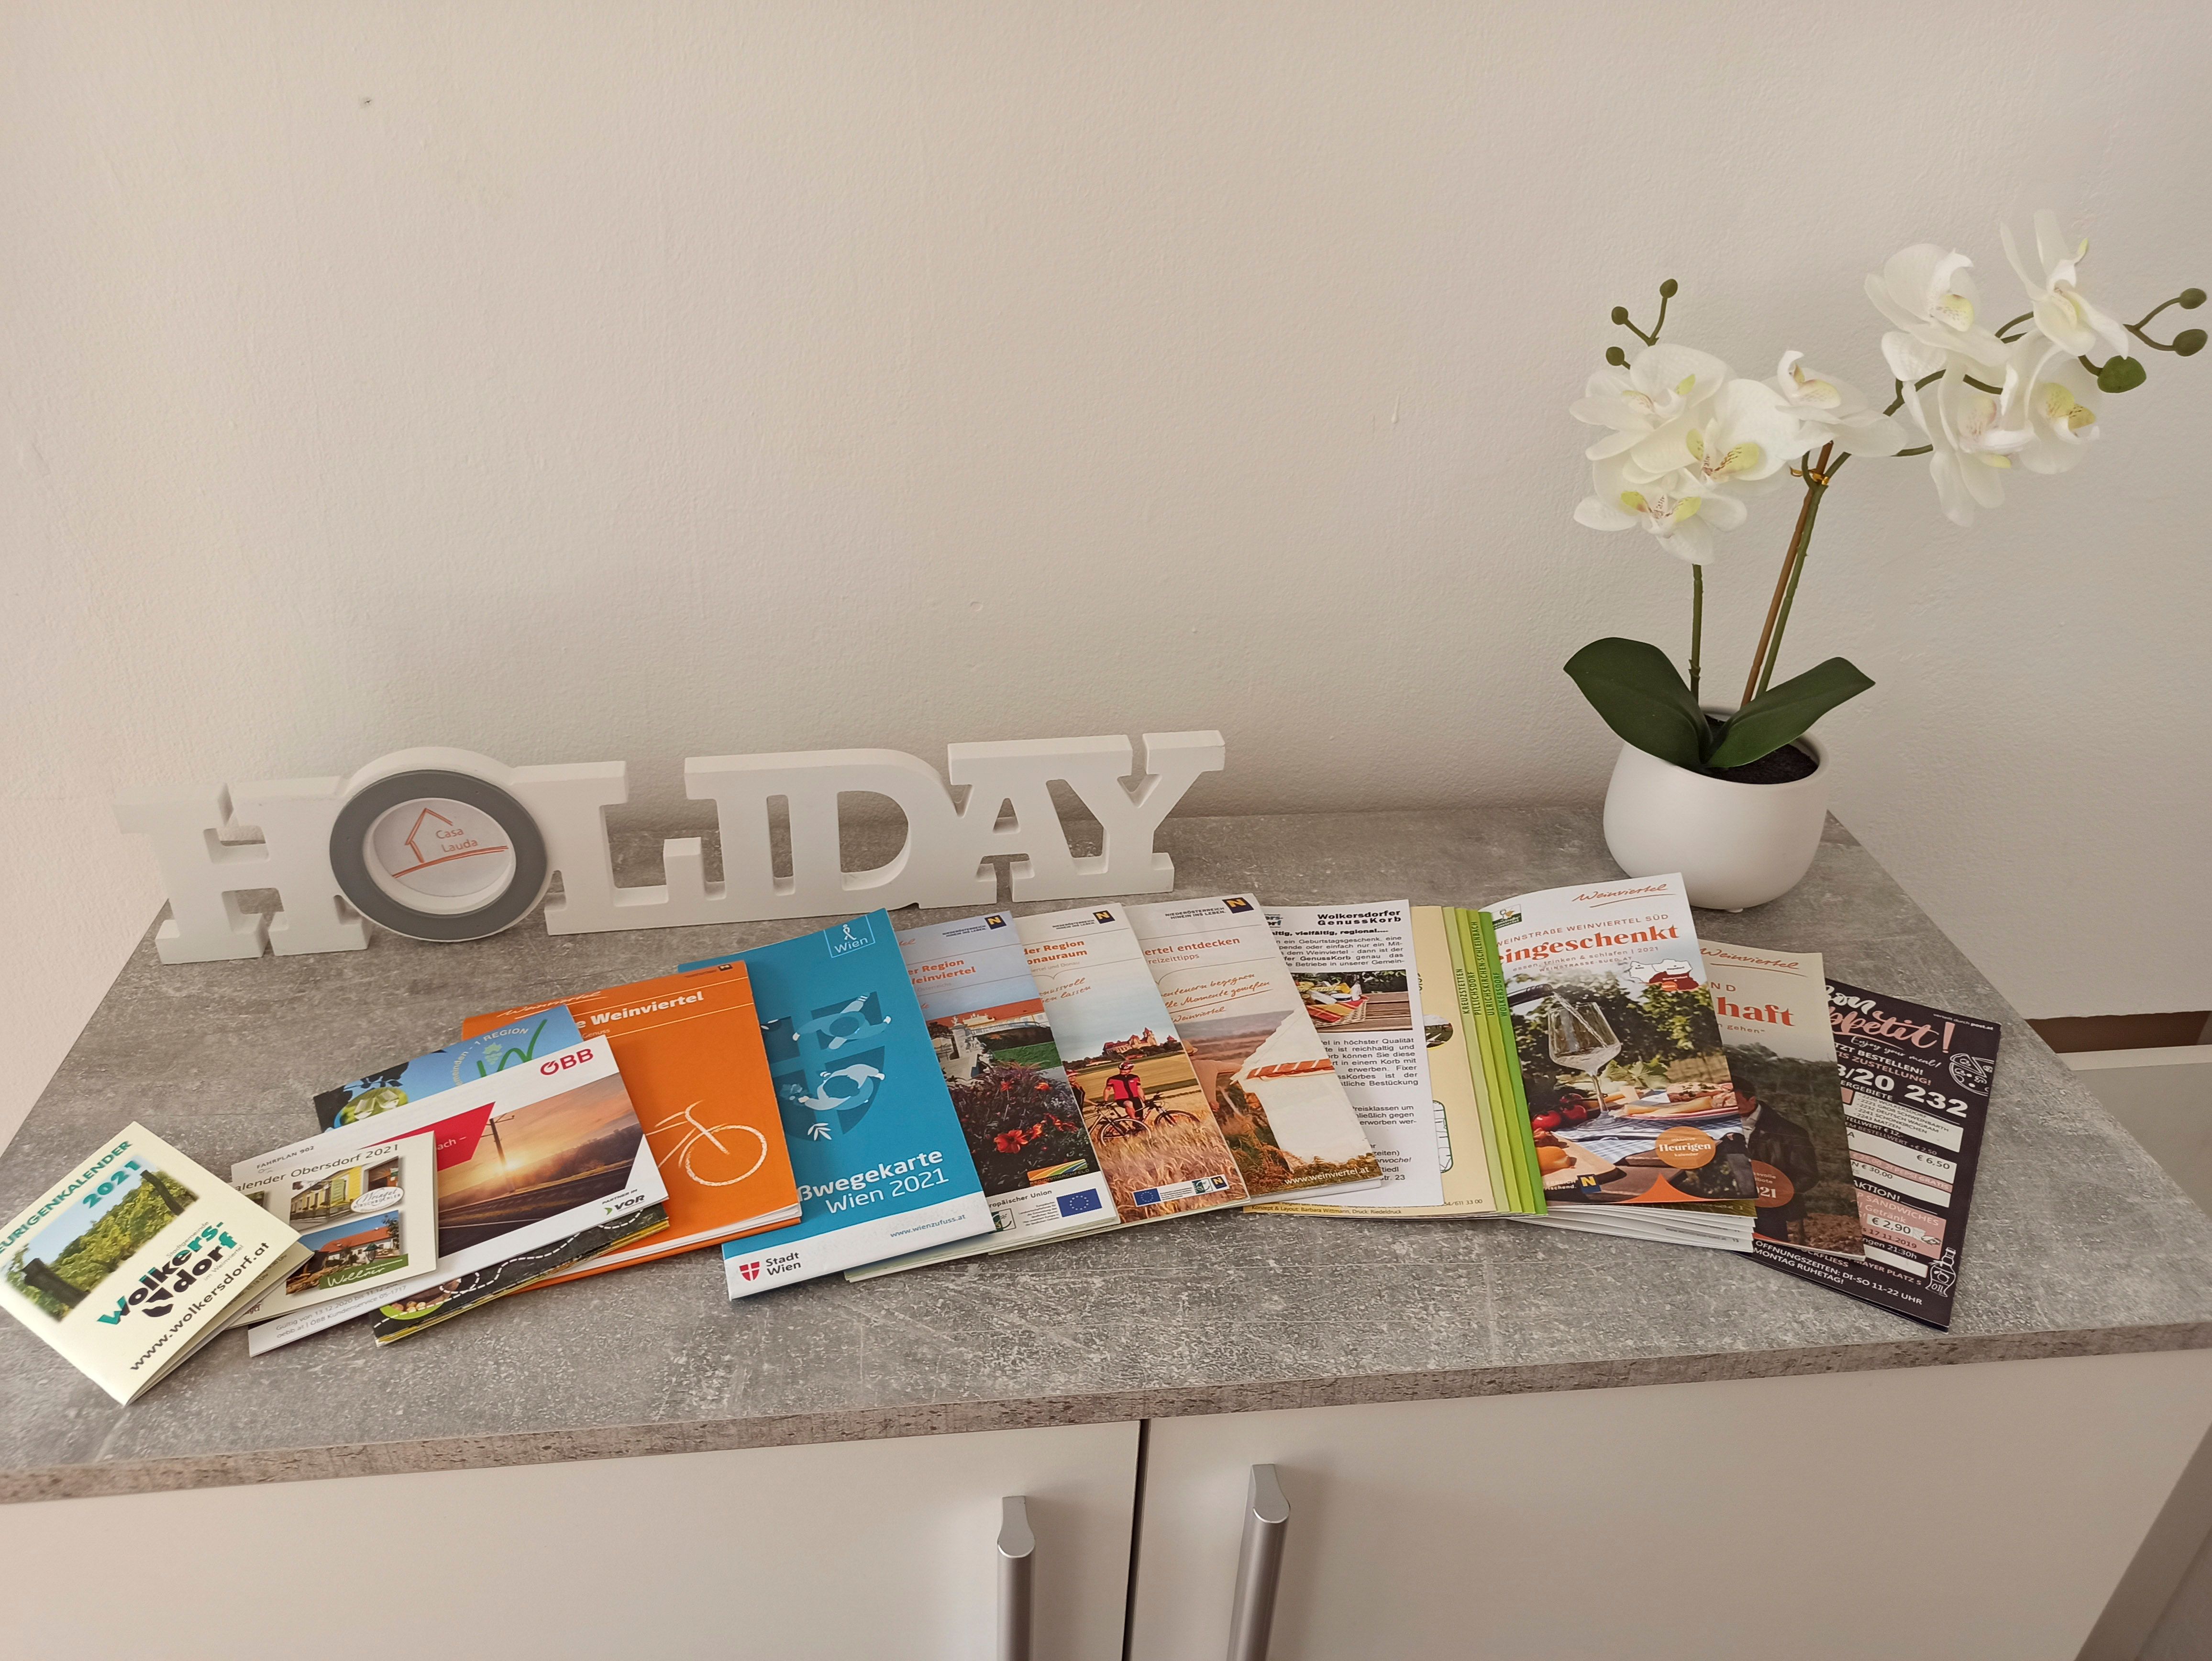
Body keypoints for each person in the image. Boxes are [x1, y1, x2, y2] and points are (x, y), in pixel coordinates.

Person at [1741, 1088, 1821, 1244]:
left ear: (1752, 1100)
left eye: (1734, 1101)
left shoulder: (1790, 1133)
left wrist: (1775, 1195)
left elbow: (1807, 1175)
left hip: (1774, 1213)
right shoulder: (1716, 1124)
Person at [1104, 1059, 1149, 1124]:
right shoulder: (1112, 1079)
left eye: (1125, 1070)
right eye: (1121, 1070)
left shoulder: (1135, 1078)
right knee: (1129, 1104)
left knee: (1140, 1117)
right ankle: (1134, 1121)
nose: (1123, 1071)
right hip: (1121, 1099)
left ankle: (1138, 1128)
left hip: (1135, 1098)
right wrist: (1105, 1100)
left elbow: (1139, 1089)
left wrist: (1144, 1100)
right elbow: (1107, 1090)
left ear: (1130, 1070)